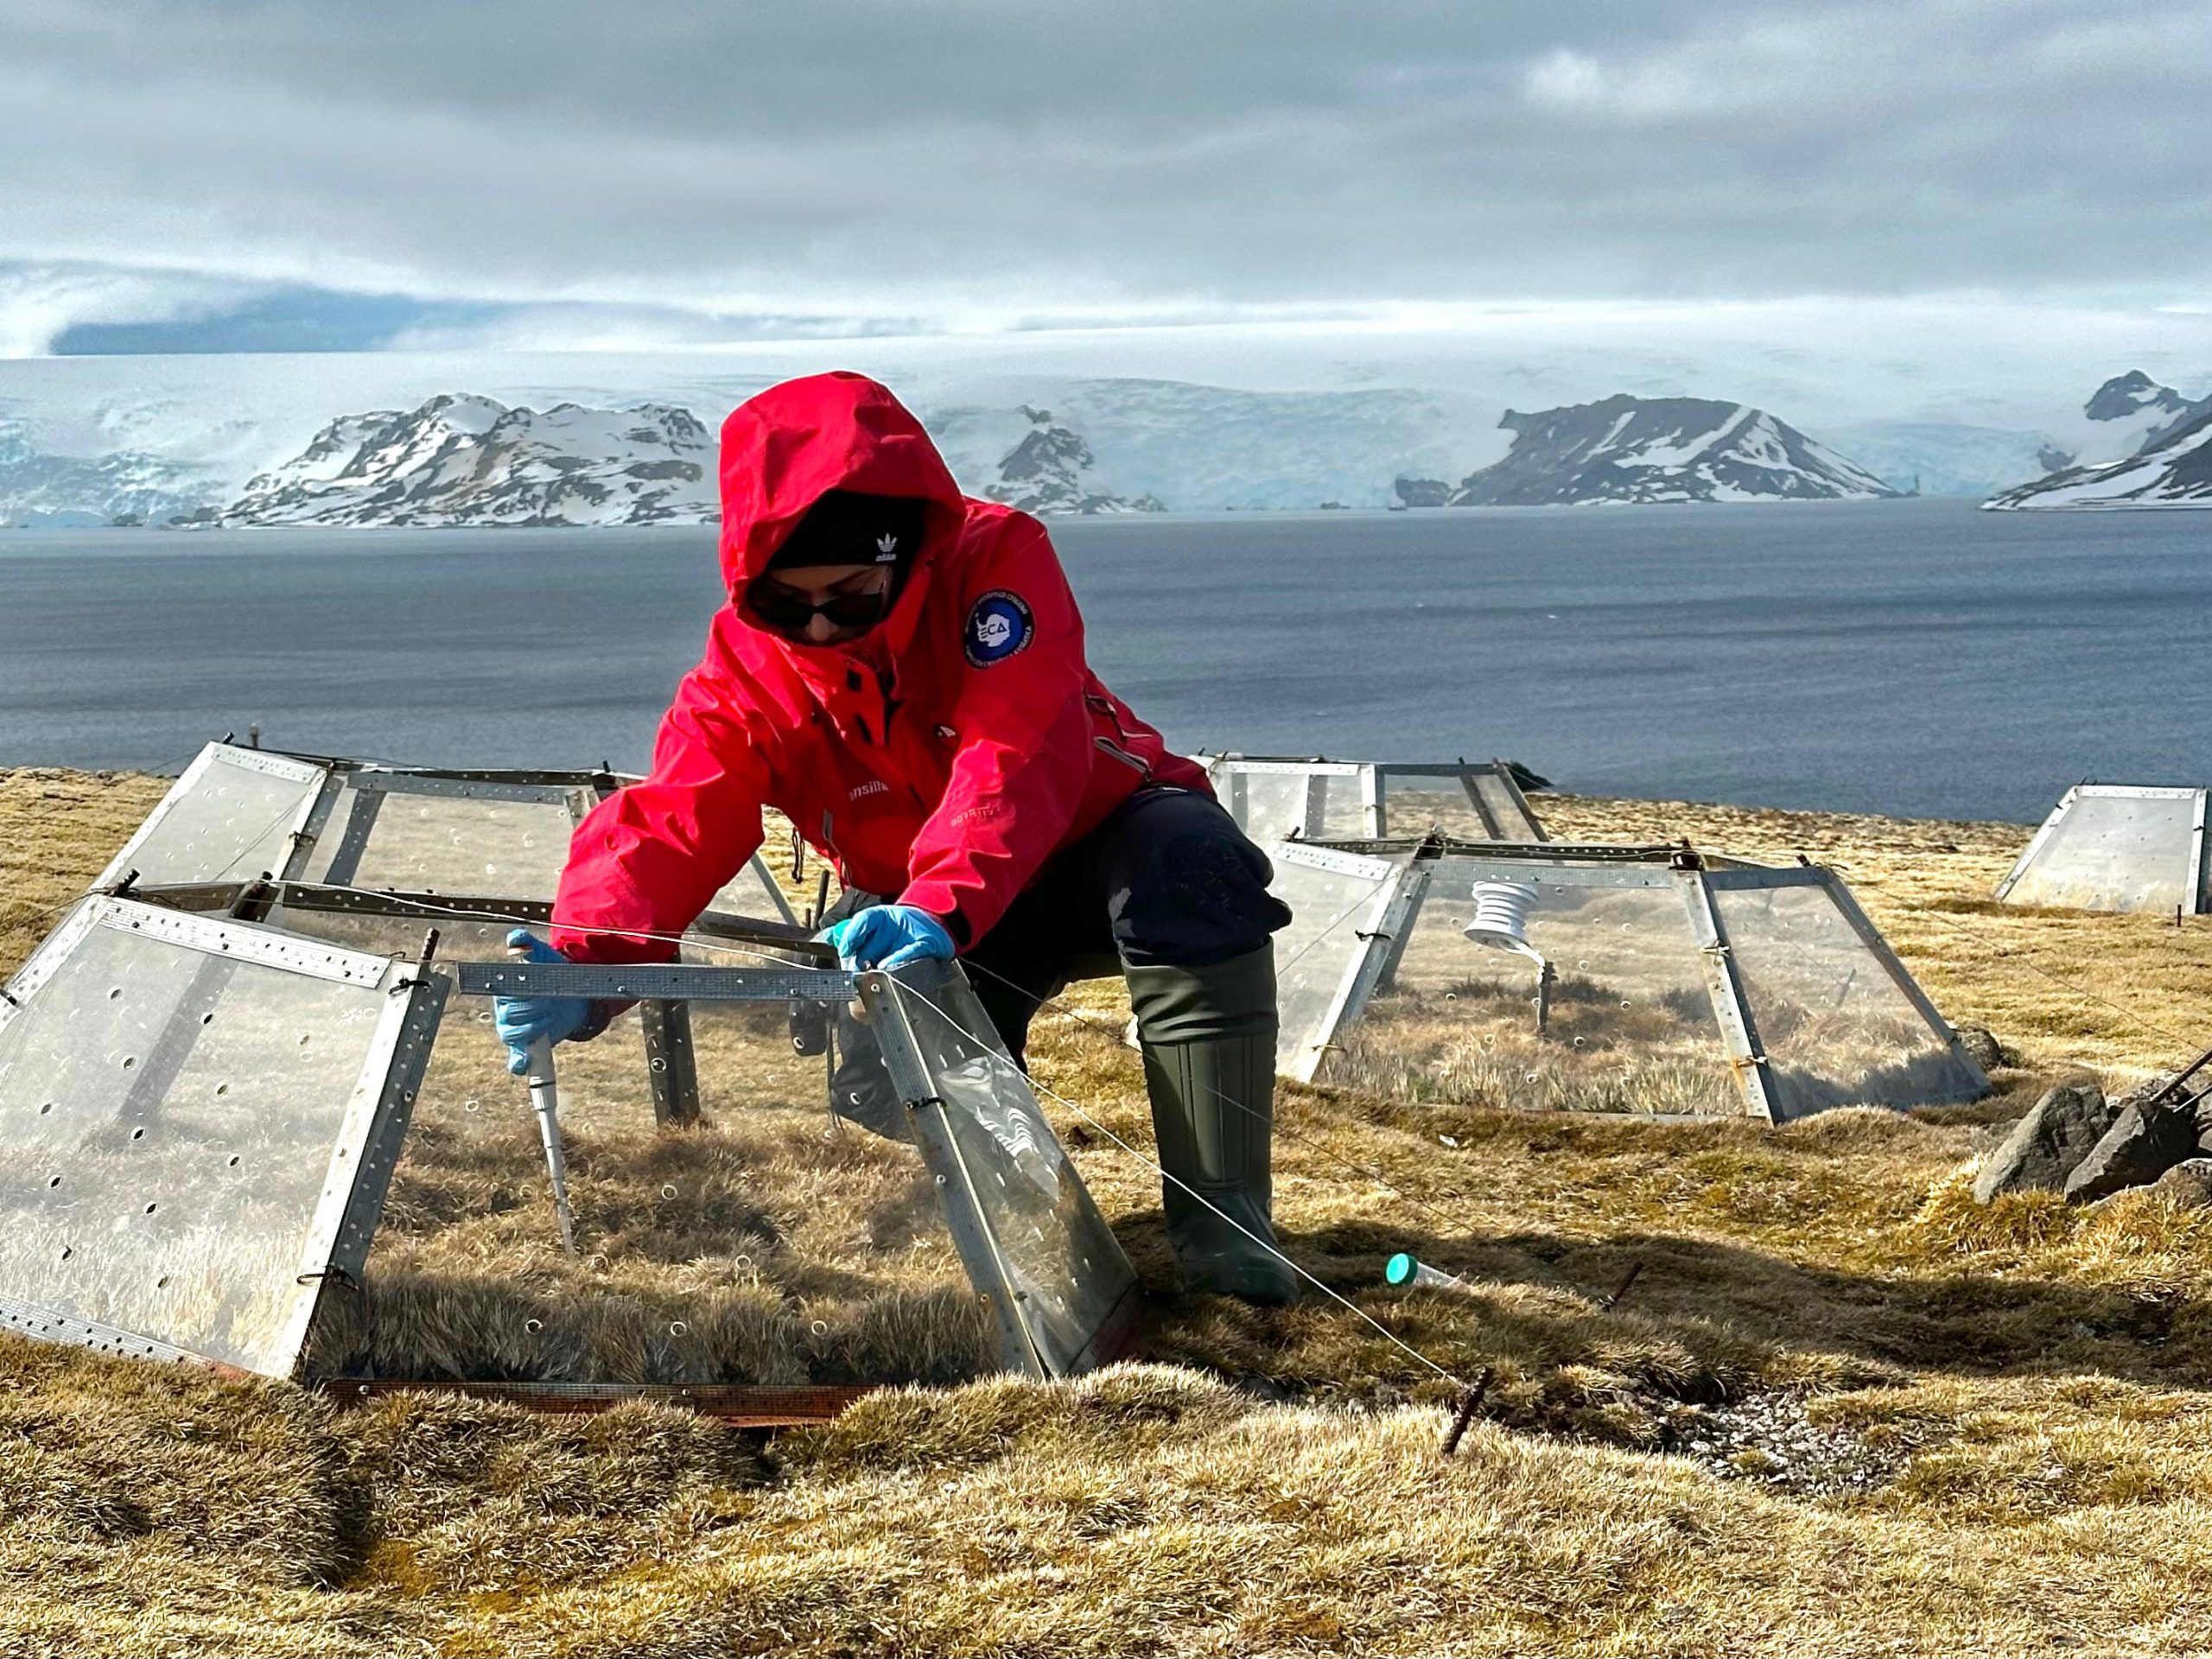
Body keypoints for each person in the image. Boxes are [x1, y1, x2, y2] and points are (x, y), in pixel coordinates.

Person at [493, 371, 1298, 1305]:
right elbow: (678, 814)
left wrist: (936, 906)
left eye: (850, 594)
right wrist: (587, 965)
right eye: (789, 605)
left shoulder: (995, 561)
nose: (822, 625)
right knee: (880, 1088)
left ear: (903, 554)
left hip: (1094, 838)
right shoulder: (741, 670)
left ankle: (1225, 1234)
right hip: (927, 900)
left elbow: (1018, 747)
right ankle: (1044, 1241)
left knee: (1195, 874)